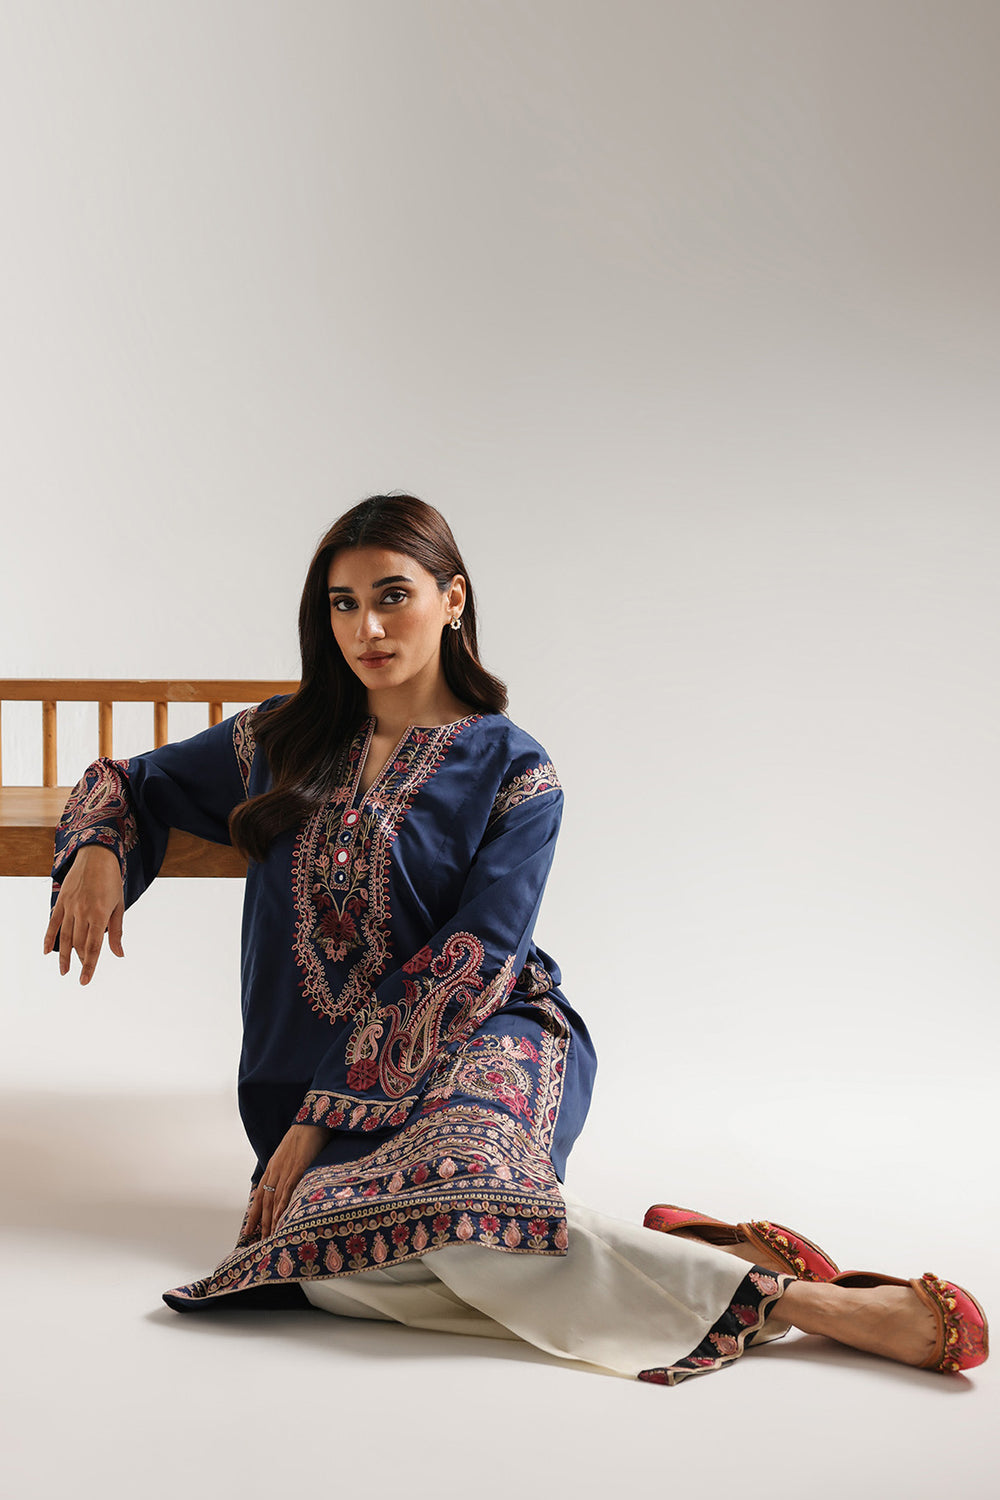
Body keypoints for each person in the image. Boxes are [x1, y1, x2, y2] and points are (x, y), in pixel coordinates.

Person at [43, 494, 988, 1384]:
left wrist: (320, 1118)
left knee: (451, 1213)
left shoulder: (515, 770)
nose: (367, 629)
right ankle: (713, 1260)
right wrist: (94, 852)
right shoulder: (280, 741)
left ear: (452, 600)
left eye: (392, 597)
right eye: (343, 604)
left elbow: (475, 960)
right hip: (300, 1080)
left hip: (487, 1035)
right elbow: (127, 779)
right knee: (333, 1266)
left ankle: (813, 1305)